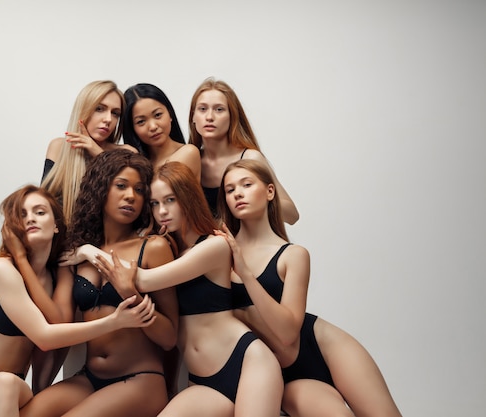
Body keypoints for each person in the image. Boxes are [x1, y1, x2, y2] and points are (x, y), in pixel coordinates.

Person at [0, 185, 156, 417]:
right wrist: (114, 321)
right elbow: (44, 337)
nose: (30, 219)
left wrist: (85, 251)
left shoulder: (57, 278)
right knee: (1, 382)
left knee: (3, 381)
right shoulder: (2, 270)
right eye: (22, 214)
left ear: (56, 224)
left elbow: (60, 329)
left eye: (39, 212)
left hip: (9, 390)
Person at [86, 161, 283, 417]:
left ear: (187, 198)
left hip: (249, 362)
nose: (162, 211)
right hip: (202, 379)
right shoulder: (173, 251)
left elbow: (143, 280)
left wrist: (89, 251)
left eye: (170, 200)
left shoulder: (214, 246)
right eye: (155, 204)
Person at [215, 159, 403, 417]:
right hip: (277, 373)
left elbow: (287, 332)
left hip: (323, 346)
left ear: (270, 192)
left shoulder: (293, 255)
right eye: (229, 189)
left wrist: (246, 273)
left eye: (246, 184)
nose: (237, 193)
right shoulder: (218, 252)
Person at [20, 149, 178, 417]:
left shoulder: (153, 248)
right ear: (100, 189)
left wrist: (133, 296)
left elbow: (170, 338)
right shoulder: (78, 253)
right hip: (89, 378)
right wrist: (27, 264)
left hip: (140, 380)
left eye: (139, 190)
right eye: (121, 186)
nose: (131, 196)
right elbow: (59, 323)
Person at [188, 77, 299, 224]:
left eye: (219, 109)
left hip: (247, 243)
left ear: (232, 116)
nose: (209, 117)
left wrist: (257, 197)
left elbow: (292, 216)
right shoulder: (190, 160)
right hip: (207, 245)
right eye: (202, 109)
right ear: (193, 117)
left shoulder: (250, 157)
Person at [41, 80, 136, 226]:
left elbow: (129, 204)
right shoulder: (59, 147)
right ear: (83, 110)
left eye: (115, 113)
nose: (108, 119)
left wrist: (99, 155)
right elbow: (44, 206)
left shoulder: (127, 153)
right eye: (99, 109)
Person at [123, 83, 201, 182]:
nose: (153, 126)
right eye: (141, 121)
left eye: (158, 115)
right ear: (132, 128)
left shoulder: (188, 152)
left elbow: (157, 189)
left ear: (170, 114)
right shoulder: (137, 162)